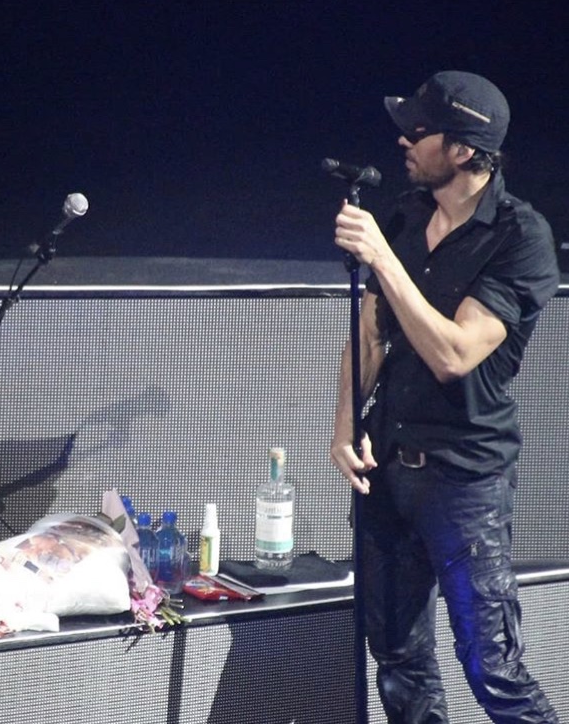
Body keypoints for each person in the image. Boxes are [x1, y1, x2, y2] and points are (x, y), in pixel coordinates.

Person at [330, 71, 560, 723]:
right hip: (388, 468)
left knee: (493, 667)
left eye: (420, 130)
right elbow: (371, 334)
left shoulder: (520, 238)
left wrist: (383, 257)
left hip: (464, 481)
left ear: (462, 149)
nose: (404, 139)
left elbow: (454, 354)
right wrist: (344, 426)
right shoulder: (407, 215)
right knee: (398, 657)